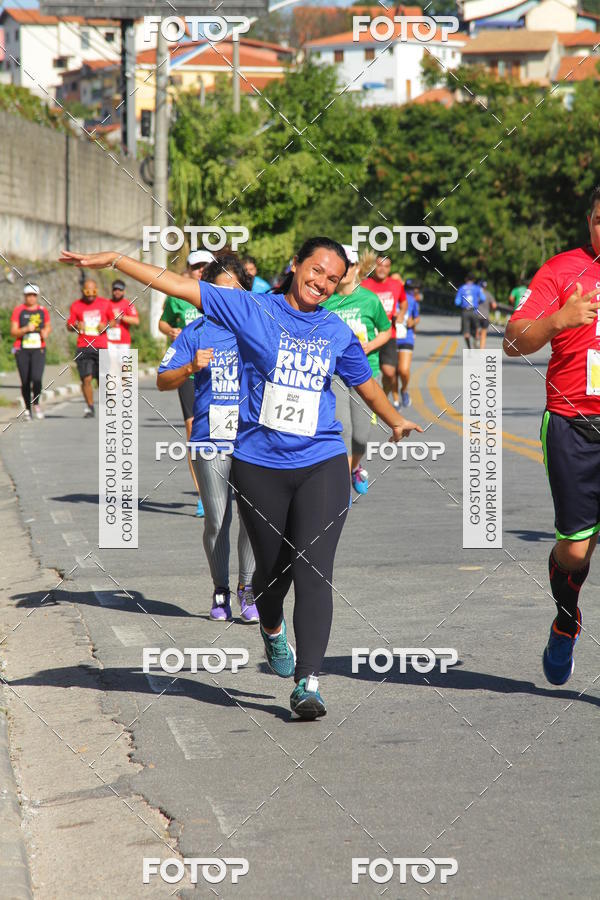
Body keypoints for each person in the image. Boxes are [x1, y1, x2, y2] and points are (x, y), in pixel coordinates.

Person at [59, 236, 422, 720]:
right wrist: (115, 260)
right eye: (316, 270)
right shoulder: (252, 309)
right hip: (259, 464)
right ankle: (271, 625)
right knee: (273, 573)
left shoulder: (335, 331)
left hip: (321, 461)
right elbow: (179, 287)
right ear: (295, 267)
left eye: (333, 278)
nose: (322, 282)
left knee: (315, 570)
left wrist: (395, 419)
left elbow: (365, 383)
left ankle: (308, 681)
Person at [503, 184, 600, 686]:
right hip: (571, 424)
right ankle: (566, 621)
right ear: (589, 221)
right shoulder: (563, 270)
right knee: (576, 551)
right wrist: (558, 320)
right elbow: (512, 342)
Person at [157, 253, 258, 623]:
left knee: (253, 519)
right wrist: (190, 367)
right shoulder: (194, 333)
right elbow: (162, 380)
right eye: (218, 293)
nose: (226, 300)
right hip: (210, 436)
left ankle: (248, 588)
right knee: (217, 519)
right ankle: (220, 589)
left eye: (234, 292)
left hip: (253, 438)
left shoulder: (258, 328)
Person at [321, 245, 391, 495]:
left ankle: (355, 467)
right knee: (343, 428)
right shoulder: (326, 301)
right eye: (343, 265)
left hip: (367, 371)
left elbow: (386, 330)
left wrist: (369, 345)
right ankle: (341, 487)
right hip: (336, 374)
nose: (346, 270)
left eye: (350, 265)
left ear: (357, 268)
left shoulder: (369, 299)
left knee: (361, 435)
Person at [159, 250, 213, 517]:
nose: (200, 271)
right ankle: (203, 493)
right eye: (196, 267)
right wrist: (171, 331)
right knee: (193, 431)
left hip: (219, 374)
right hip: (188, 372)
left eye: (205, 266)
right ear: (189, 270)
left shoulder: (221, 295)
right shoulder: (178, 297)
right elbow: (163, 322)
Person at [361, 255, 407, 406]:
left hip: (388, 334)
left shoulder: (396, 285)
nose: (382, 269)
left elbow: (404, 302)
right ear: (374, 267)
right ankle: (370, 401)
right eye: (379, 265)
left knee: (389, 372)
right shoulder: (364, 285)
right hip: (368, 335)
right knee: (368, 373)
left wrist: (400, 314)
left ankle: (383, 396)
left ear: (390, 268)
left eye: (386, 266)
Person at [66, 279, 114, 417]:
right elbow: (69, 326)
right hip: (84, 346)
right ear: (83, 291)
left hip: (101, 345)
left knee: (103, 378)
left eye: (93, 292)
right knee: (86, 378)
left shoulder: (105, 303)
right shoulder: (76, 306)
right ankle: (90, 407)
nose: (90, 295)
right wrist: (76, 325)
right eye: (87, 292)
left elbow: (113, 320)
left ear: (97, 290)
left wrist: (105, 325)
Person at [10, 284, 51, 421]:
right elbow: (13, 331)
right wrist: (25, 329)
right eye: (29, 295)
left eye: (34, 295)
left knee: (37, 378)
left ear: (37, 296)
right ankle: (27, 408)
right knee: (25, 380)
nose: (31, 298)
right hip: (22, 349)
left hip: (38, 349)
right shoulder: (19, 311)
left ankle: (37, 404)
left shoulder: (42, 311)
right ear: (25, 296)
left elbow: (48, 326)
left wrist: (45, 332)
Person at [393, 278, 421, 408]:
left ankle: (404, 390)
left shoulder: (412, 300)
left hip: (406, 337)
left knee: (403, 370)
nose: (411, 291)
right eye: (408, 289)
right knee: (392, 372)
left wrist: (413, 323)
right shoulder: (390, 298)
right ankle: (396, 399)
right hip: (392, 337)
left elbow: (417, 317)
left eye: (413, 289)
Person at [454, 274, 485, 349]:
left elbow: (457, 302)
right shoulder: (477, 288)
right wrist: (477, 303)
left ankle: (469, 347)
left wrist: (462, 303)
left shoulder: (462, 288)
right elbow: (483, 298)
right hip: (474, 311)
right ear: (474, 280)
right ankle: (477, 338)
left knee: (466, 332)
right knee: (477, 327)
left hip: (465, 311)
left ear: (466, 279)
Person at [107, 279, 139, 350]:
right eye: (115, 289)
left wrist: (122, 317)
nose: (117, 292)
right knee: (106, 361)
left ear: (124, 291)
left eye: (120, 290)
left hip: (124, 342)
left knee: (127, 361)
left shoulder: (128, 304)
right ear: (112, 290)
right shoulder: (106, 303)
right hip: (108, 341)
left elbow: (136, 321)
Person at [476, 279, 497, 351]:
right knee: (484, 333)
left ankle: (476, 340)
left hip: (476, 316)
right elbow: (494, 305)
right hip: (485, 316)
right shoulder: (488, 294)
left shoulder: (476, 293)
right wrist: (490, 308)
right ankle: (482, 349)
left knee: (476, 330)